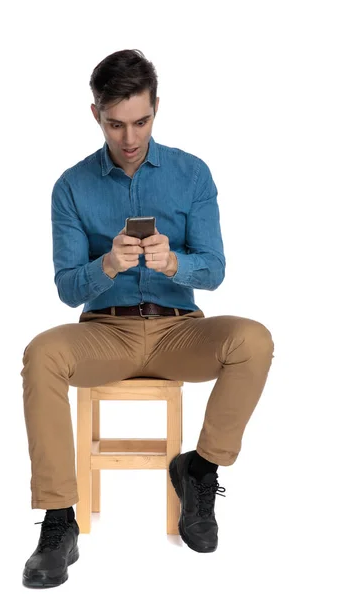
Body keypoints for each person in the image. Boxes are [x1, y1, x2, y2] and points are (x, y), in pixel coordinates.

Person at [21, 48, 275, 588]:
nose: (129, 138)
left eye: (140, 121)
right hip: (106, 332)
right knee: (42, 352)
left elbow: (216, 269)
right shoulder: (71, 186)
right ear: (96, 115)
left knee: (253, 339)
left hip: (179, 329)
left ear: (156, 109)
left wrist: (177, 263)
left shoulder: (192, 173)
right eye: (115, 124)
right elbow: (68, 289)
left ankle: (201, 469)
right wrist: (106, 265)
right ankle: (59, 520)